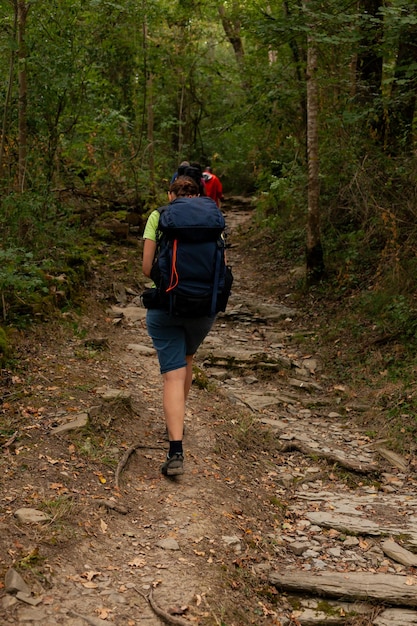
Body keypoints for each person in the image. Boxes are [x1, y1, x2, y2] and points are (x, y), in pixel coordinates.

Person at [142, 176, 218, 477]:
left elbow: (147, 267)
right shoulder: (211, 218)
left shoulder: (158, 216)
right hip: (203, 310)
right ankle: (178, 419)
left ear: (171, 194)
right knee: (187, 360)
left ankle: (176, 449)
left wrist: (166, 287)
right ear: (198, 195)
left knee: (172, 374)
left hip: (165, 307)